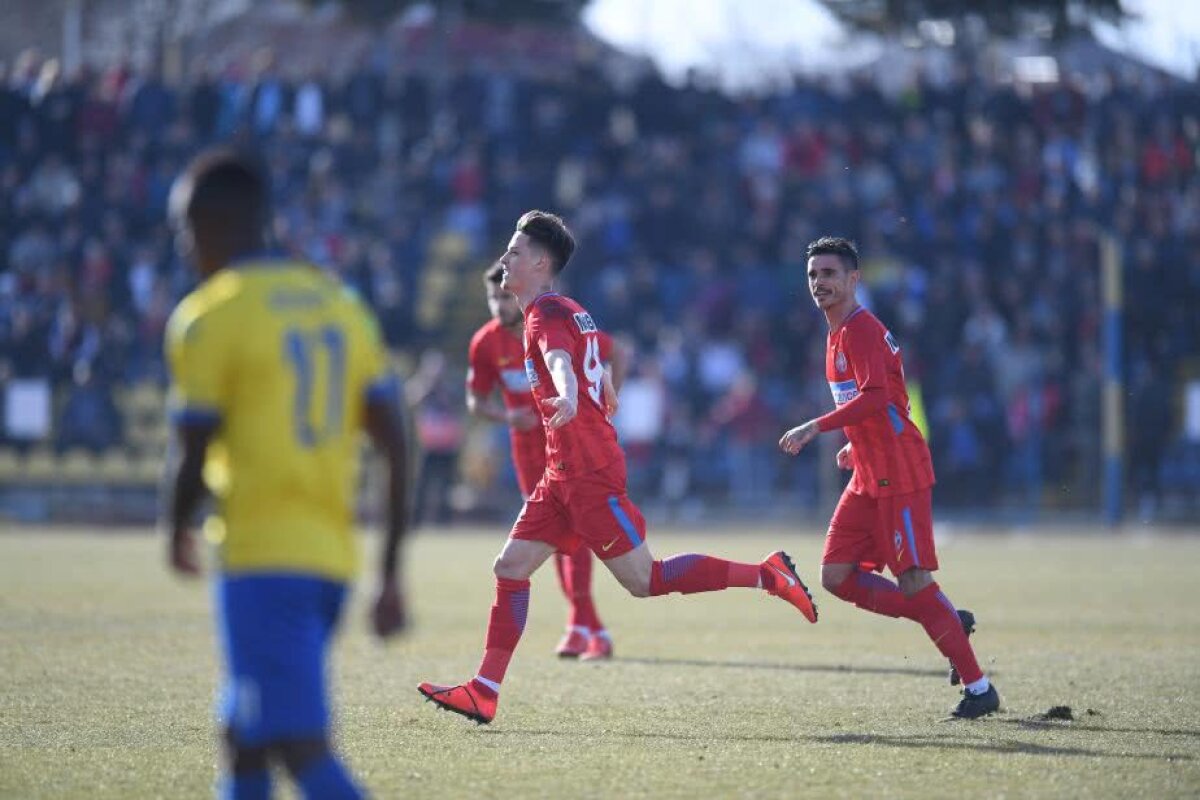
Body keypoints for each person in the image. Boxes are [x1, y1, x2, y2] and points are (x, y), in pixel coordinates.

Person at [418, 210, 817, 724]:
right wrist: (598, 384)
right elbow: (594, 358)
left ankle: (766, 575)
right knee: (509, 568)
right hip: (560, 473)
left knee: (645, 580)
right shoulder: (568, 309)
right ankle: (485, 689)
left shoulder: (542, 316)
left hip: (588, 474)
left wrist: (567, 393)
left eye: (514, 252)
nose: (504, 259)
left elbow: (561, 361)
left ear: (541, 263)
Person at [162, 148, 409, 799]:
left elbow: (192, 447)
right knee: (245, 741)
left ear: (212, 224)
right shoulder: (339, 306)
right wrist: (390, 570)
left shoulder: (212, 315)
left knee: (301, 750)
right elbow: (397, 440)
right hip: (330, 560)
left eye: (186, 230)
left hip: (260, 558)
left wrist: (174, 527)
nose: (185, 247)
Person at [778, 236, 1000, 719]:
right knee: (836, 575)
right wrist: (855, 447)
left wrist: (817, 426)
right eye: (813, 275)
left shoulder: (860, 329)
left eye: (830, 274)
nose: (820, 283)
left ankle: (980, 689)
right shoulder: (835, 333)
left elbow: (878, 396)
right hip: (869, 469)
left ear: (854, 279)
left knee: (914, 579)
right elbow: (876, 402)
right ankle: (944, 620)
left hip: (898, 470)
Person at [467, 261, 626, 660]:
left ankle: (582, 626)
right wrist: (507, 417)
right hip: (528, 453)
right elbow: (475, 400)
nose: (498, 305)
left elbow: (614, 352)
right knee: (550, 540)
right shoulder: (486, 344)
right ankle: (582, 625)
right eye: (492, 298)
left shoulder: (550, 324)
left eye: (503, 296)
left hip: (572, 448)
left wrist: (606, 401)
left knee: (580, 535)